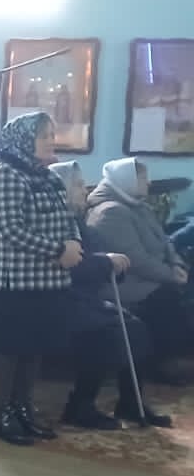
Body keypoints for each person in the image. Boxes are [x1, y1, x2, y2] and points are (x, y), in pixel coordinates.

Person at [0, 112, 84, 446]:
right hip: (17, 281)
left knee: (33, 347)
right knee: (11, 347)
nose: (51, 141)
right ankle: (1, 414)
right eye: (44, 136)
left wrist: (74, 243)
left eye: (52, 135)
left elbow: (68, 217)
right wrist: (58, 249)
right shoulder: (5, 174)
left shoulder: (48, 177)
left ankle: (24, 409)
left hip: (50, 280)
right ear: (24, 141)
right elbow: (10, 230)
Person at [48, 162, 172, 429]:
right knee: (109, 333)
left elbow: (98, 255)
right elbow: (72, 267)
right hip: (58, 298)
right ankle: (79, 406)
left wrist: (113, 264)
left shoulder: (76, 220)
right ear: (61, 189)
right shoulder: (53, 223)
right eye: (78, 185)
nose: (85, 190)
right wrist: (106, 262)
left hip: (85, 297)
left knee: (135, 327)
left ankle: (131, 402)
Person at [83, 157, 194, 385]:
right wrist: (170, 275)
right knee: (166, 295)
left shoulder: (138, 206)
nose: (149, 183)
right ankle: (167, 363)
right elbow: (137, 260)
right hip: (125, 282)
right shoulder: (110, 212)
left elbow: (166, 242)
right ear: (127, 180)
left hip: (150, 273)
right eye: (143, 178)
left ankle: (180, 355)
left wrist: (176, 265)